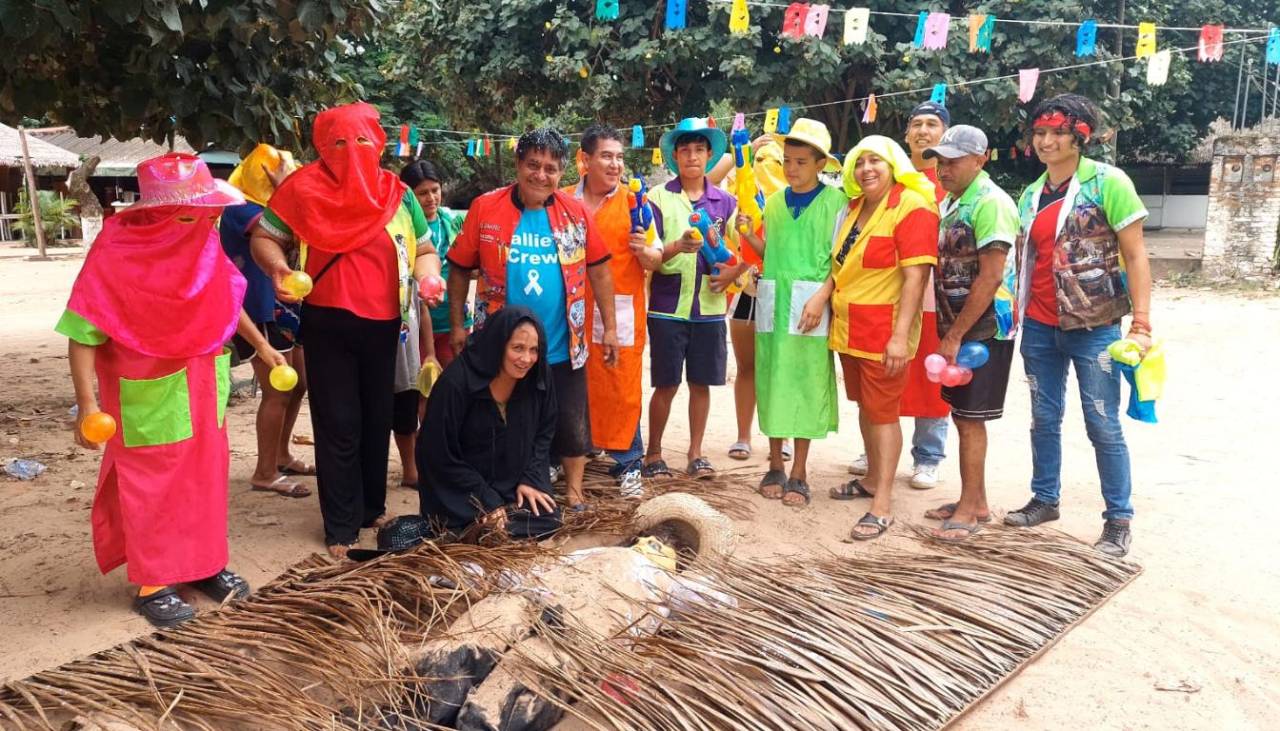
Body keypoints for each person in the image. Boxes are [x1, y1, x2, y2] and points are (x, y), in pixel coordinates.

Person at [57, 153, 254, 627]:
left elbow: (226, 300)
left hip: (205, 382)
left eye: (211, 212)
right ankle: (154, 581)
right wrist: (87, 406)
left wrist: (264, 349)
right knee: (154, 484)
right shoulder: (115, 255)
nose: (209, 220)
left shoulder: (203, 244)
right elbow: (83, 334)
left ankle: (205, 565)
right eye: (197, 212)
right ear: (163, 214)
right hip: (146, 390)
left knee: (206, 478)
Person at [250, 102, 443, 559]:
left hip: (386, 325)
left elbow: (424, 247)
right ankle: (340, 525)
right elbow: (264, 236)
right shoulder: (302, 189)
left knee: (377, 417)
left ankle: (370, 507)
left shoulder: (398, 194)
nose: (352, 150)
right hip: (328, 323)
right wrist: (278, 269)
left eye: (361, 140)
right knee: (338, 422)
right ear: (322, 146)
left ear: (377, 143)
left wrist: (429, 275)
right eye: (339, 142)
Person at [1005, 94, 1153, 558]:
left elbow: (1135, 254)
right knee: (1043, 419)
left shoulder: (1108, 182)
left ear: (1080, 136)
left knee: (1103, 423)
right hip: (1039, 325)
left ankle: (1118, 519)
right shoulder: (1031, 194)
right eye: (1040, 133)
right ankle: (1045, 499)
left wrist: (1142, 323)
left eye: (1057, 133)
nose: (1046, 141)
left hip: (1095, 325)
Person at [445, 127, 617, 512]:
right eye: (533, 165)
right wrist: (457, 325)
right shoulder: (485, 208)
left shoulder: (577, 213)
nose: (541, 175)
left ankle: (574, 493)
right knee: (498, 418)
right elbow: (458, 268)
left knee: (572, 421)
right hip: (499, 345)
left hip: (562, 341)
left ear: (562, 172)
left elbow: (600, 270)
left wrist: (611, 328)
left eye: (551, 168)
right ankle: (496, 492)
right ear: (518, 165)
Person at [826, 137, 939, 541]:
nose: (866, 169)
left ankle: (883, 503)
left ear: (893, 164)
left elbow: (915, 276)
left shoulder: (912, 206)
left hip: (883, 332)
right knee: (866, 407)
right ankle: (872, 479)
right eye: (860, 162)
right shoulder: (854, 208)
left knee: (885, 413)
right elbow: (838, 267)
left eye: (876, 161)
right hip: (848, 329)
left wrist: (898, 336)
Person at [916, 126, 1021, 541]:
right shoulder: (955, 203)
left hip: (984, 329)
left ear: (980, 159)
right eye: (940, 161)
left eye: (953, 161)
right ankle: (973, 500)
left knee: (972, 419)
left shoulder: (991, 203)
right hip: (962, 327)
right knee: (962, 417)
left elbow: (991, 276)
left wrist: (956, 335)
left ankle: (970, 509)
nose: (944, 169)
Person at [736, 119, 846, 506]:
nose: (791, 168)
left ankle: (799, 471)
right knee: (772, 378)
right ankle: (774, 463)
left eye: (801, 161)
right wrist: (748, 234)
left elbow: (841, 261)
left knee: (805, 382)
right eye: (787, 160)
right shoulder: (777, 202)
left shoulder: (836, 202)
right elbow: (771, 253)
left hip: (810, 306)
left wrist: (821, 298)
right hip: (774, 303)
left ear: (821, 165)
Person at [849, 101, 952, 489]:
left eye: (932, 124)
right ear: (906, 136)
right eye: (916, 124)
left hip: (934, 298)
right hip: (888, 296)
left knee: (930, 375)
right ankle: (874, 451)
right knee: (883, 374)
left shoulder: (950, 180)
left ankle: (928, 456)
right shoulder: (891, 180)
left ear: (944, 133)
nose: (923, 131)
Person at [644, 117, 749, 480]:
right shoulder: (657, 198)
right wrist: (678, 246)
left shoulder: (727, 201)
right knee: (666, 383)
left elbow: (748, 244)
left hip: (709, 309)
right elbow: (650, 253)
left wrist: (735, 273)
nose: (692, 156)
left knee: (701, 383)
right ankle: (653, 452)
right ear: (674, 156)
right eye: (685, 150)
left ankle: (696, 453)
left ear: (709, 155)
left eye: (699, 150)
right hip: (667, 308)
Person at [564, 125, 662, 497]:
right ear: (585, 160)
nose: (615, 164)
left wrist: (643, 250)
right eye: (607, 156)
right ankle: (571, 454)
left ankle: (629, 462)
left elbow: (656, 257)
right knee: (573, 382)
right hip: (571, 308)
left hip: (618, 309)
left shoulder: (636, 205)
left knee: (621, 385)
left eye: (620, 157)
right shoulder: (563, 201)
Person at [418, 307, 562, 540]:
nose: (526, 359)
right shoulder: (456, 383)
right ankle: (473, 528)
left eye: (534, 350)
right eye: (517, 348)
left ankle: (488, 528)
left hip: (511, 485)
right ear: (498, 345)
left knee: (548, 518)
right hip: (463, 491)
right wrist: (486, 500)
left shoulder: (538, 376)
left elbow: (545, 432)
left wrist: (531, 479)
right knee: (464, 524)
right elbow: (438, 453)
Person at [221, 144, 312, 499]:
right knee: (278, 389)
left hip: (285, 307)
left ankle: (282, 454)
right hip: (257, 311)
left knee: (299, 382)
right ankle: (264, 471)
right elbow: (287, 230)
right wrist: (288, 192)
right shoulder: (240, 209)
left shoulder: (265, 206)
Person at [724, 136, 790, 463]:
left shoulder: (794, 204)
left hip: (783, 291)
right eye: (759, 160)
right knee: (747, 367)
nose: (766, 167)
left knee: (782, 367)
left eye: (774, 161)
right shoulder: (741, 200)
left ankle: (785, 436)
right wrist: (743, 152)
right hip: (747, 291)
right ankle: (743, 436)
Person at [401, 159, 470, 368]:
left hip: (456, 322)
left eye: (435, 190)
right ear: (409, 196)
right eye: (422, 193)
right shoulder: (402, 229)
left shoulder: (454, 221)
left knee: (455, 389)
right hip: (418, 326)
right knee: (423, 392)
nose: (431, 198)